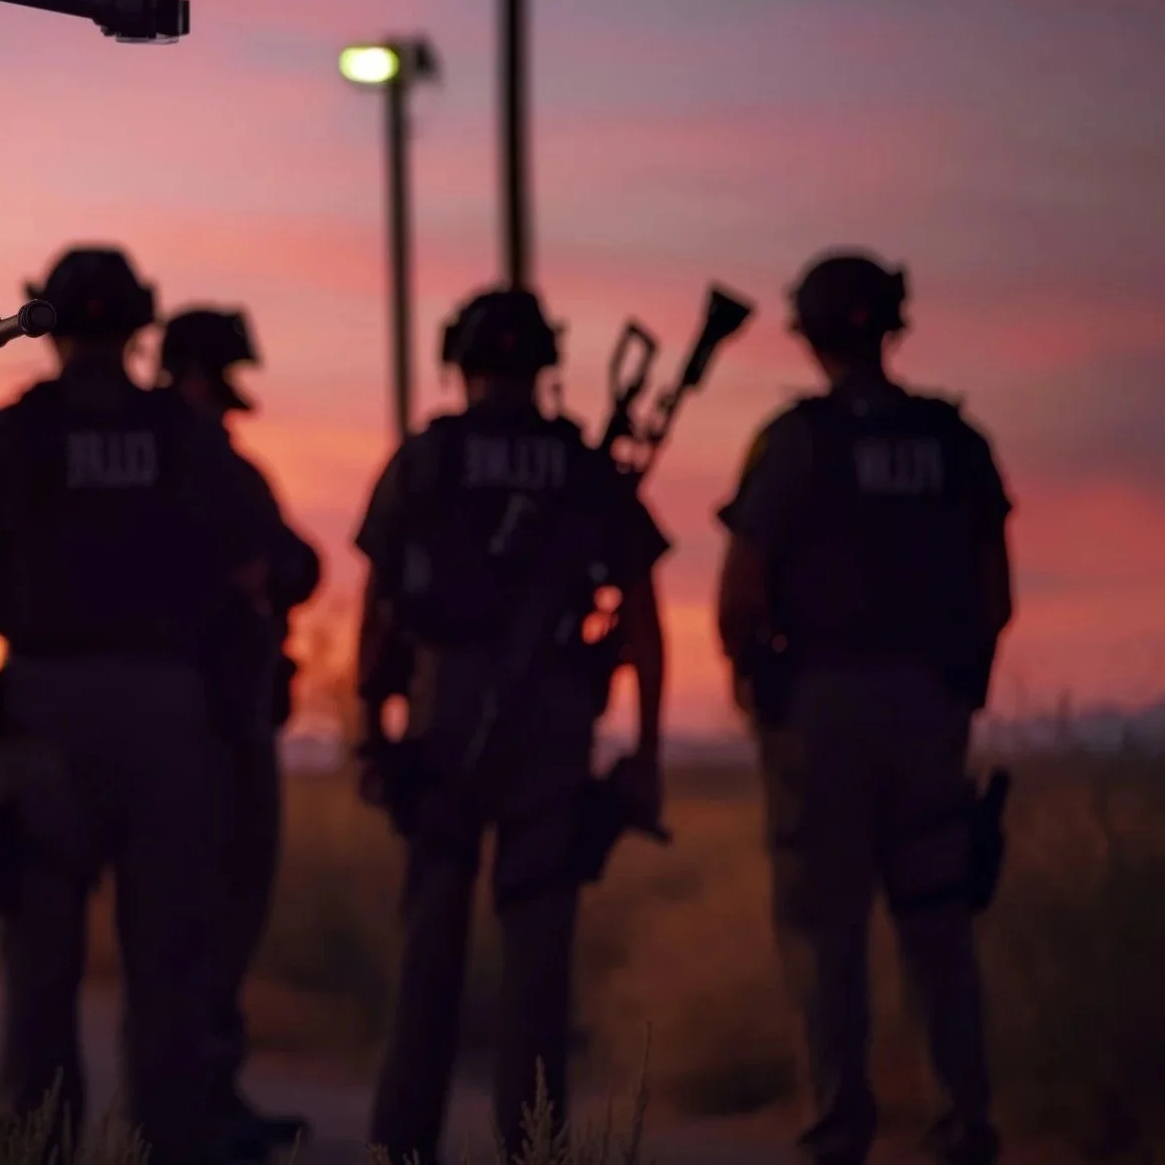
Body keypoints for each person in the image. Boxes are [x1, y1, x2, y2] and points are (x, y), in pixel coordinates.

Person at [0, 247, 276, 1165]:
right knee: (167, 958)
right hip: (169, 715)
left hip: (43, 715)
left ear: (50, 325)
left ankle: (39, 1145)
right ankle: (171, 1139)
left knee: (41, 963)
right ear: (136, 325)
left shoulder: (10, 434)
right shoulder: (186, 437)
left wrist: (8, 606)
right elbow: (259, 563)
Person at [351, 286, 669, 1162]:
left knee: (428, 953)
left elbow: (376, 607)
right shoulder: (578, 466)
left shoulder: (425, 459)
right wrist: (644, 750)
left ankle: (400, 1146)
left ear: (460, 362)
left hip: (444, 718)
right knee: (536, 962)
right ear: (542, 365)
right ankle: (532, 1147)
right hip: (551, 729)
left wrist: (369, 725)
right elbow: (641, 618)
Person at [717, 251, 1013, 1165]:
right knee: (937, 927)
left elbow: (740, 592)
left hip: (820, 710)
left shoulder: (797, 442)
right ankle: (962, 1127)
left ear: (810, 336)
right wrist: (957, 686)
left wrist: (758, 689)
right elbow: (993, 591)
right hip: (928, 708)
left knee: (823, 934)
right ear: (888, 326)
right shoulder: (953, 442)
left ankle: (837, 1134)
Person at [157, 307, 321, 1162]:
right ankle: (193, 1104)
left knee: (217, 915)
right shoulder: (195, 465)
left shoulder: (215, 466)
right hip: (211, 725)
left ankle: (207, 1094)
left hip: (230, 710)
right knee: (208, 912)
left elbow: (297, 562)